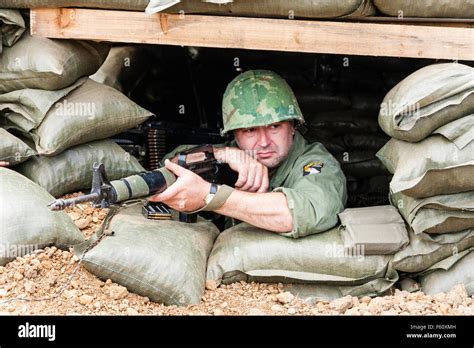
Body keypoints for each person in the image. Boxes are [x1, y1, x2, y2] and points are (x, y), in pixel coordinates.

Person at [149, 70, 347, 238]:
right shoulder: (230, 152)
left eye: (274, 126)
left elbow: (306, 213)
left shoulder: (314, 162)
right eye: (249, 130)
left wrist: (211, 197)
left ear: (293, 126)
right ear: (235, 134)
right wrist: (221, 153)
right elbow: (169, 167)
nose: (263, 142)